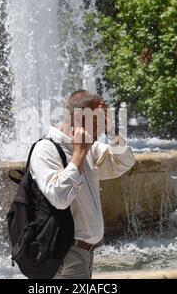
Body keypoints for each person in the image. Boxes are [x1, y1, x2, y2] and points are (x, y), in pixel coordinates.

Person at [29, 90, 136, 279]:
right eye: (98, 126)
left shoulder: (90, 147)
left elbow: (125, 162)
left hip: (83, 254)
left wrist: (112, 132)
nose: (100, 133)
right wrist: (79, 154)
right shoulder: (46, 149)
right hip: (65, 255)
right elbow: (59, 198)